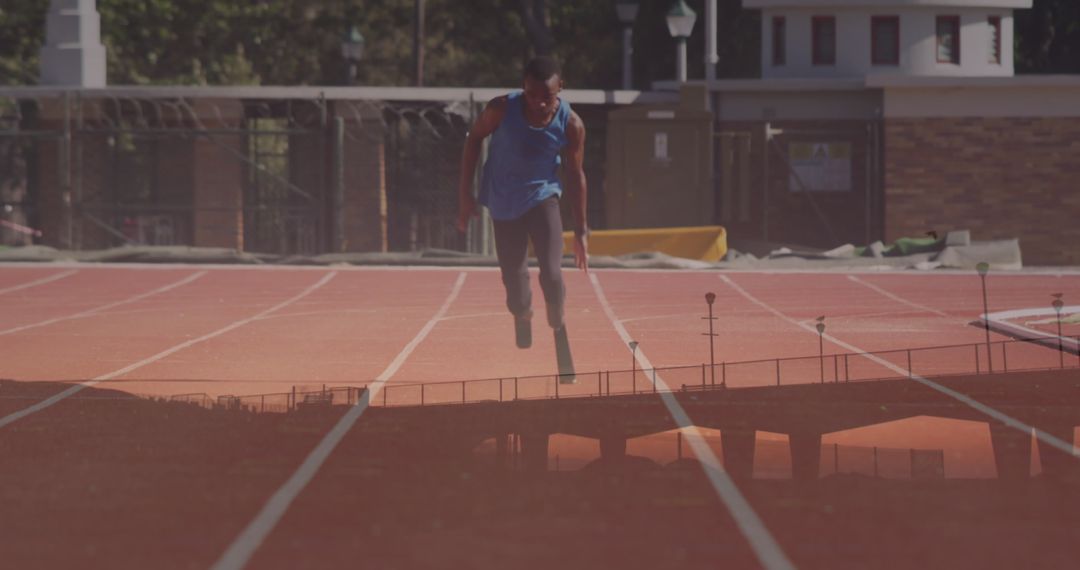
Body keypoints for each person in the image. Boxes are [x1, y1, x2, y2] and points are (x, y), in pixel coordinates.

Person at [456, 56, 588, 378]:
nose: (539, 102)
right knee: (515, 284)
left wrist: (581, 230)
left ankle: (557, 323)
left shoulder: (571, 124)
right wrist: (464, 196)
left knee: (553, 274)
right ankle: (523, 313)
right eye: (531, 94)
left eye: (548, 96)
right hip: (503, 201)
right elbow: (473, 139)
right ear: (522, 89)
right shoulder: (501, 109)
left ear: (561, 90)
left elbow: (575, 174)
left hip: (543, 196)